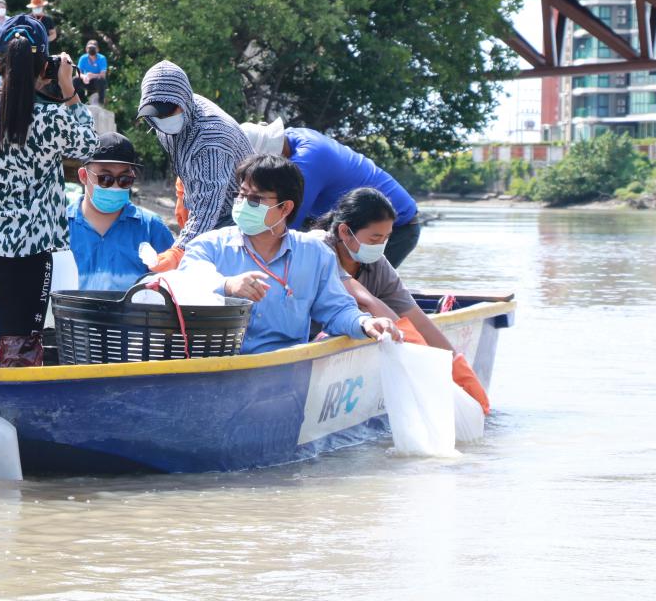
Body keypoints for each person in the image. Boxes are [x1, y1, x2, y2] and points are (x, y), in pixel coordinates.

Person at [0, 13, 99, 366]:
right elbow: (89, 145)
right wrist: (68, 88)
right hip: (31, 250)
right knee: (19, 348)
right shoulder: (53, 118)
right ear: (45, 67)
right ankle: (15, 400)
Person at [180, 155, 398, 354]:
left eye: (255, 199)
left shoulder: (316, 254)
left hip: (286, 366)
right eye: (241, 195)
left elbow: (337, 310)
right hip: (218, 363)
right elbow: (186, 281)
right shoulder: (209, 245)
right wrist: (227, 285)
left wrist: (365, 323)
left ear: (285, 208)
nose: (243, 204)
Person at [312, 187, 490, 413]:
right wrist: (422, 364)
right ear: (345, 231)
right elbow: (365, 301)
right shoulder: (316, 247)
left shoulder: (376, 262)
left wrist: (458, 372)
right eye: (375, 238)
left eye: (386, 238)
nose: (380, 245)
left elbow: (417, 319)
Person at [241, 118, 421, 268]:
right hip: (357, 228)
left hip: (393, 230)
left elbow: (286, 224)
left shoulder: (306, 164)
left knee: (354, 287)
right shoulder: (296, 134)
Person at [137, 60, 252, 272]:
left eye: (167, 112)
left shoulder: (212, 137)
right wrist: (183, 191)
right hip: (208, 203)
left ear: (184, 101)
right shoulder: (164, 122)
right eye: (156, 113)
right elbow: (185, 156)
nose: (162, 118)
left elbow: (208, 209)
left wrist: (179, 251)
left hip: (235, 215)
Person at [67, 132, 174, 292]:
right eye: (105, 178)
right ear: (83, 176)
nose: (115, 187)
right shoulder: (60, 227)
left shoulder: (151, 228)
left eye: (124, 180)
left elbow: (173, 287)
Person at [76, 39, 108, 105]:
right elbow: (78, 73)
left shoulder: (102, 58)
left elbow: (103, 75)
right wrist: (84, 77)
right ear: (86, 49)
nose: (91, 50)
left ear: (97, 49)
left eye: (93, 48)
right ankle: (78, 101)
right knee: (75, 80)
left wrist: (92, 75)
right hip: (86, 81)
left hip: (96, 82)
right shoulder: (83, 58)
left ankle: (101, 102)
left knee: (101, 80)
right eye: (90, 48)